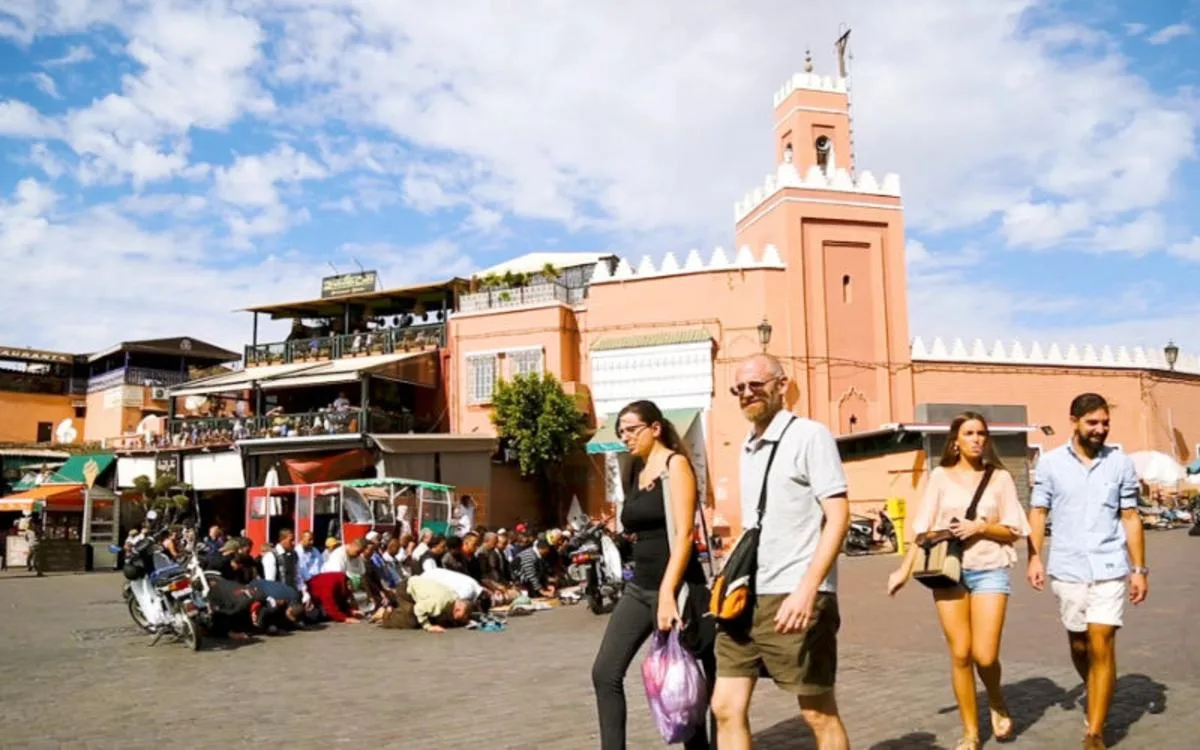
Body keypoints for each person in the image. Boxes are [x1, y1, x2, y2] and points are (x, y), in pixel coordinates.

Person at [711, 353, 851, 750]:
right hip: (745, 597)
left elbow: (838, 516)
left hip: (794, 592)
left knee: (817, 711)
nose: (746, 393)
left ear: (782, 385)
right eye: (739, 388)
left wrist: (808, 590)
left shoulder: (810, 435)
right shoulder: (747, 446)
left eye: (756, 384)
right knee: (725, 707)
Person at [886, 412, 1030, 750]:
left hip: (990, 569)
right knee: (961, 654)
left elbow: (1014, 530)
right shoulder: (939, 476)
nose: (977, 439)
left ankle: (995, 699)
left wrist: (981, 527)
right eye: (969, 433)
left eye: (981, 433)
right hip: (947, 571)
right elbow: (923, 530)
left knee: (985, 655)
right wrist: (903, 571)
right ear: (955, 441)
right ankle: (971, 733)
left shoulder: (999, 479)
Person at [1026, 393, 1147, 750]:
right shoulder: (1050, 464)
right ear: (1074, 421)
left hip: (1109, 566)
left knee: (1101, 641)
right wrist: (1034, 557)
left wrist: (1139, 569)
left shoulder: (1120, 463)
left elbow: (1130, 517)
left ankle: (1094, 732)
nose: (1100, 429)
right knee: (1080, 644)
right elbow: (1038, 512)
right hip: (1067, 568)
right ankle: (1097, 685)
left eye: (1105, 423)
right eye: (1092, 422)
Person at [591, 400, 714, 750]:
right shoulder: (635, 470)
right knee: (605, 672)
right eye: (621, 432)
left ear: (655, 428)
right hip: (640, 587)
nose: (625, 437)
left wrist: (667, 593)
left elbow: (685, 535)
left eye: (632, 429)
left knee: (682, 680)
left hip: (677, 588)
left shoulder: (676, 466)